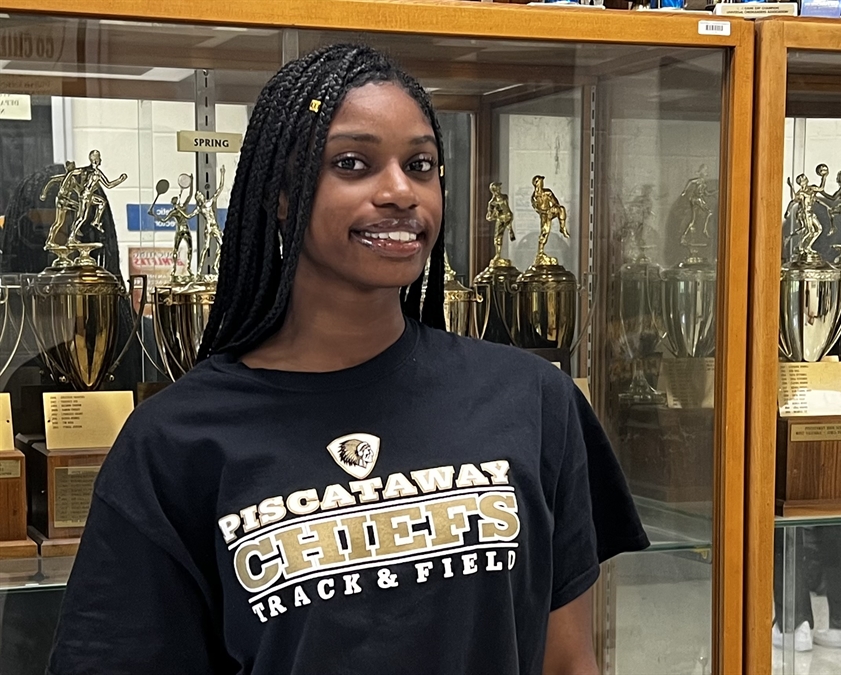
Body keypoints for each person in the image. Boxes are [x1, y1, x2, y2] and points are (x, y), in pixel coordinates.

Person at [47, 44, 649, 675]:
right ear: (280, 196)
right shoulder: (173, 443)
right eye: (353, 164)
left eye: (420, 165)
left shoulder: (531, 399)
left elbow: (568, 660)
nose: (399, 191)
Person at [772, 524, 841, 653]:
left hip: (809, 559)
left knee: (780, 509)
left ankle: (794, 625)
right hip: (834, 555)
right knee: (834, 507)